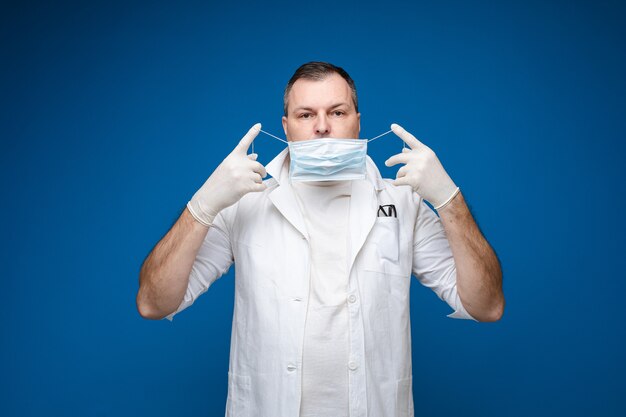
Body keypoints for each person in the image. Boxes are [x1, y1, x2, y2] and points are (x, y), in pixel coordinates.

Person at [137, 61, 504, 417]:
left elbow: (486, 306)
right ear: (286, 127)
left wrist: (448, 199)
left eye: (338, 112)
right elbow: (154, 303)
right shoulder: (242, 205)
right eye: (306, 114)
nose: (322, 127)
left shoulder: (402, 204)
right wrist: (202, 205)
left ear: (359, 122)